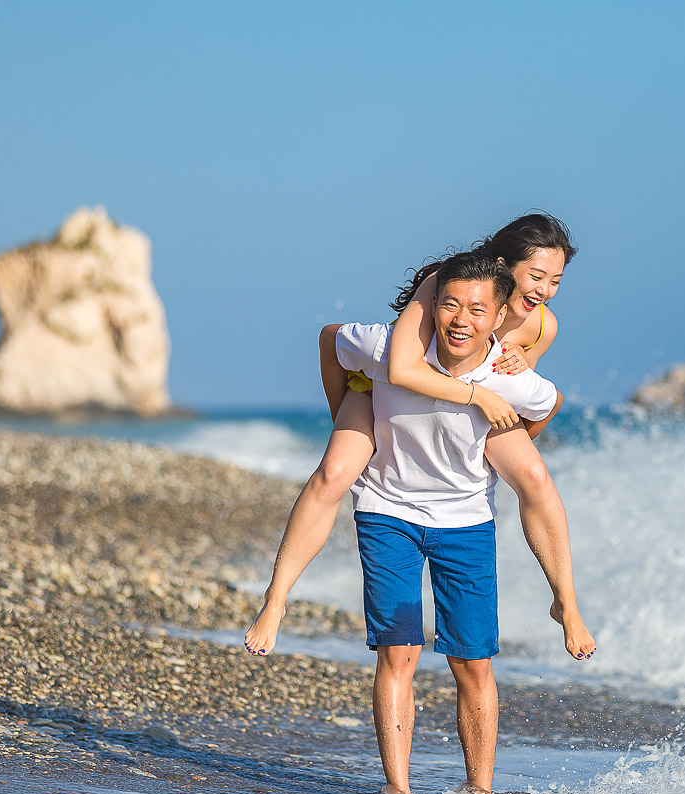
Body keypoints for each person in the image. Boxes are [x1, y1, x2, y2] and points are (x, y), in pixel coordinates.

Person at [244, 214, 594, 661]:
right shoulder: (441, 284)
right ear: (504, 265)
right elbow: (400, 369)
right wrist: (349, 423)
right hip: (385, 392)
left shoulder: (543, 325)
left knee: (535, 475)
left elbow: (529, 396)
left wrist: (500, 435)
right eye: (537, 276)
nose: (544, 291)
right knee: (335, 473)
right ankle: (275, 602)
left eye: (556, 282)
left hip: (468, 409)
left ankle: (565, 600)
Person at [338, 250, 557, 794]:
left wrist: (507, 440)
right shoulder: (389, 348)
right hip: (389, 509)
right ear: (430, 306)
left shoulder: (506, 375)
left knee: (473, 662)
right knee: (398, 652)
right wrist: (346, 418)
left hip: (466, 521)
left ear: (498, 313)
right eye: (450, 305)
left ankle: (479, 793)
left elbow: (548, 402)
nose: (462, 319)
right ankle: (398, 792)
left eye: (477, 310)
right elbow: (331, 340)